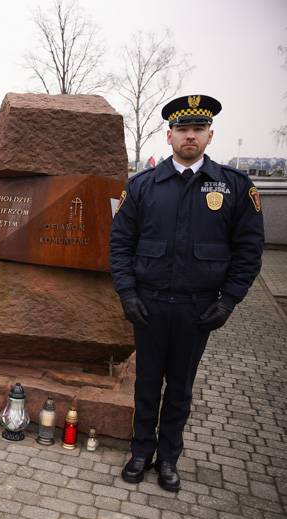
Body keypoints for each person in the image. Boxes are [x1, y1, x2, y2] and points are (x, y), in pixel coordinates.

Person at [110, 95, 264, 491]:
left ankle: (168, 458)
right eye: (182, 129)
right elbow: (120, 245)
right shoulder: (143, 186)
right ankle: (140, 451)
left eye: (198, 129)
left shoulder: (232, 187)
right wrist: (127, 294)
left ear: (210, 135)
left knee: (180, 387)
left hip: (198, 309)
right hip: (150, 304)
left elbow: (249, 251)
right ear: (169, 136)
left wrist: (228, 300)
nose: (190, 136)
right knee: (146, 382)